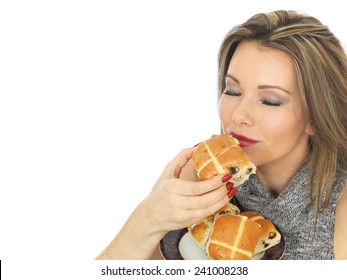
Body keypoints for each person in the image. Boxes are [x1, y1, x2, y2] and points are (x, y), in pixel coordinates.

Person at [96, 10, 347, 260]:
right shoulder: (198, 176)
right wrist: (150, 217)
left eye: (270, 100)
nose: (238, 115)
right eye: (233, 91)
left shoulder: (340, 206)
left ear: (317, 116)